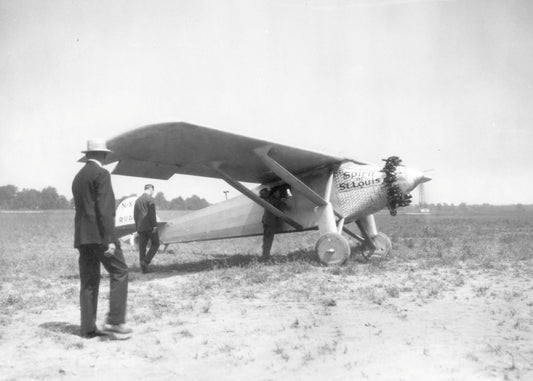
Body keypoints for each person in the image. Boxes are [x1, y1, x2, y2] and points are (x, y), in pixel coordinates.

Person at [72, 139, 132, 338]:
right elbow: (105, 211)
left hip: (83, 238)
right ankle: (115, 322)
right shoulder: (102, 174)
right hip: (100, 237)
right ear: (103, 155)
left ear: (87, 155)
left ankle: (87, 328)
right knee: (120, 271)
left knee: (89, 281)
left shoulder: (78, 177)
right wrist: (110, 240)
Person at [134, 184, 160, 273]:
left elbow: (135, 215)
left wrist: (137, 227)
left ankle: (143, 270)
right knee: (156, 243)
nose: (153, 193)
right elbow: (152, 214)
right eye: (153, 190)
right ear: (149, 189)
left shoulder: (137, 200)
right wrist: (154, 226)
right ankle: (146, 261)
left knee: (142, 248)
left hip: (140, 228)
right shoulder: (150, 199)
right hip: (150, 227)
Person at [260, 187, 287, 261]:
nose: (279, 194)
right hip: (269, 222)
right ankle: (265, 256)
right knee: (268, 239)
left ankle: (265, 255)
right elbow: (281, 206)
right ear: (274, 193)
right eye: (278, 192)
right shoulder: (272, 200)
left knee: (267, 239)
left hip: (267, 221)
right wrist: (283, 201)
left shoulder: (271, 199)